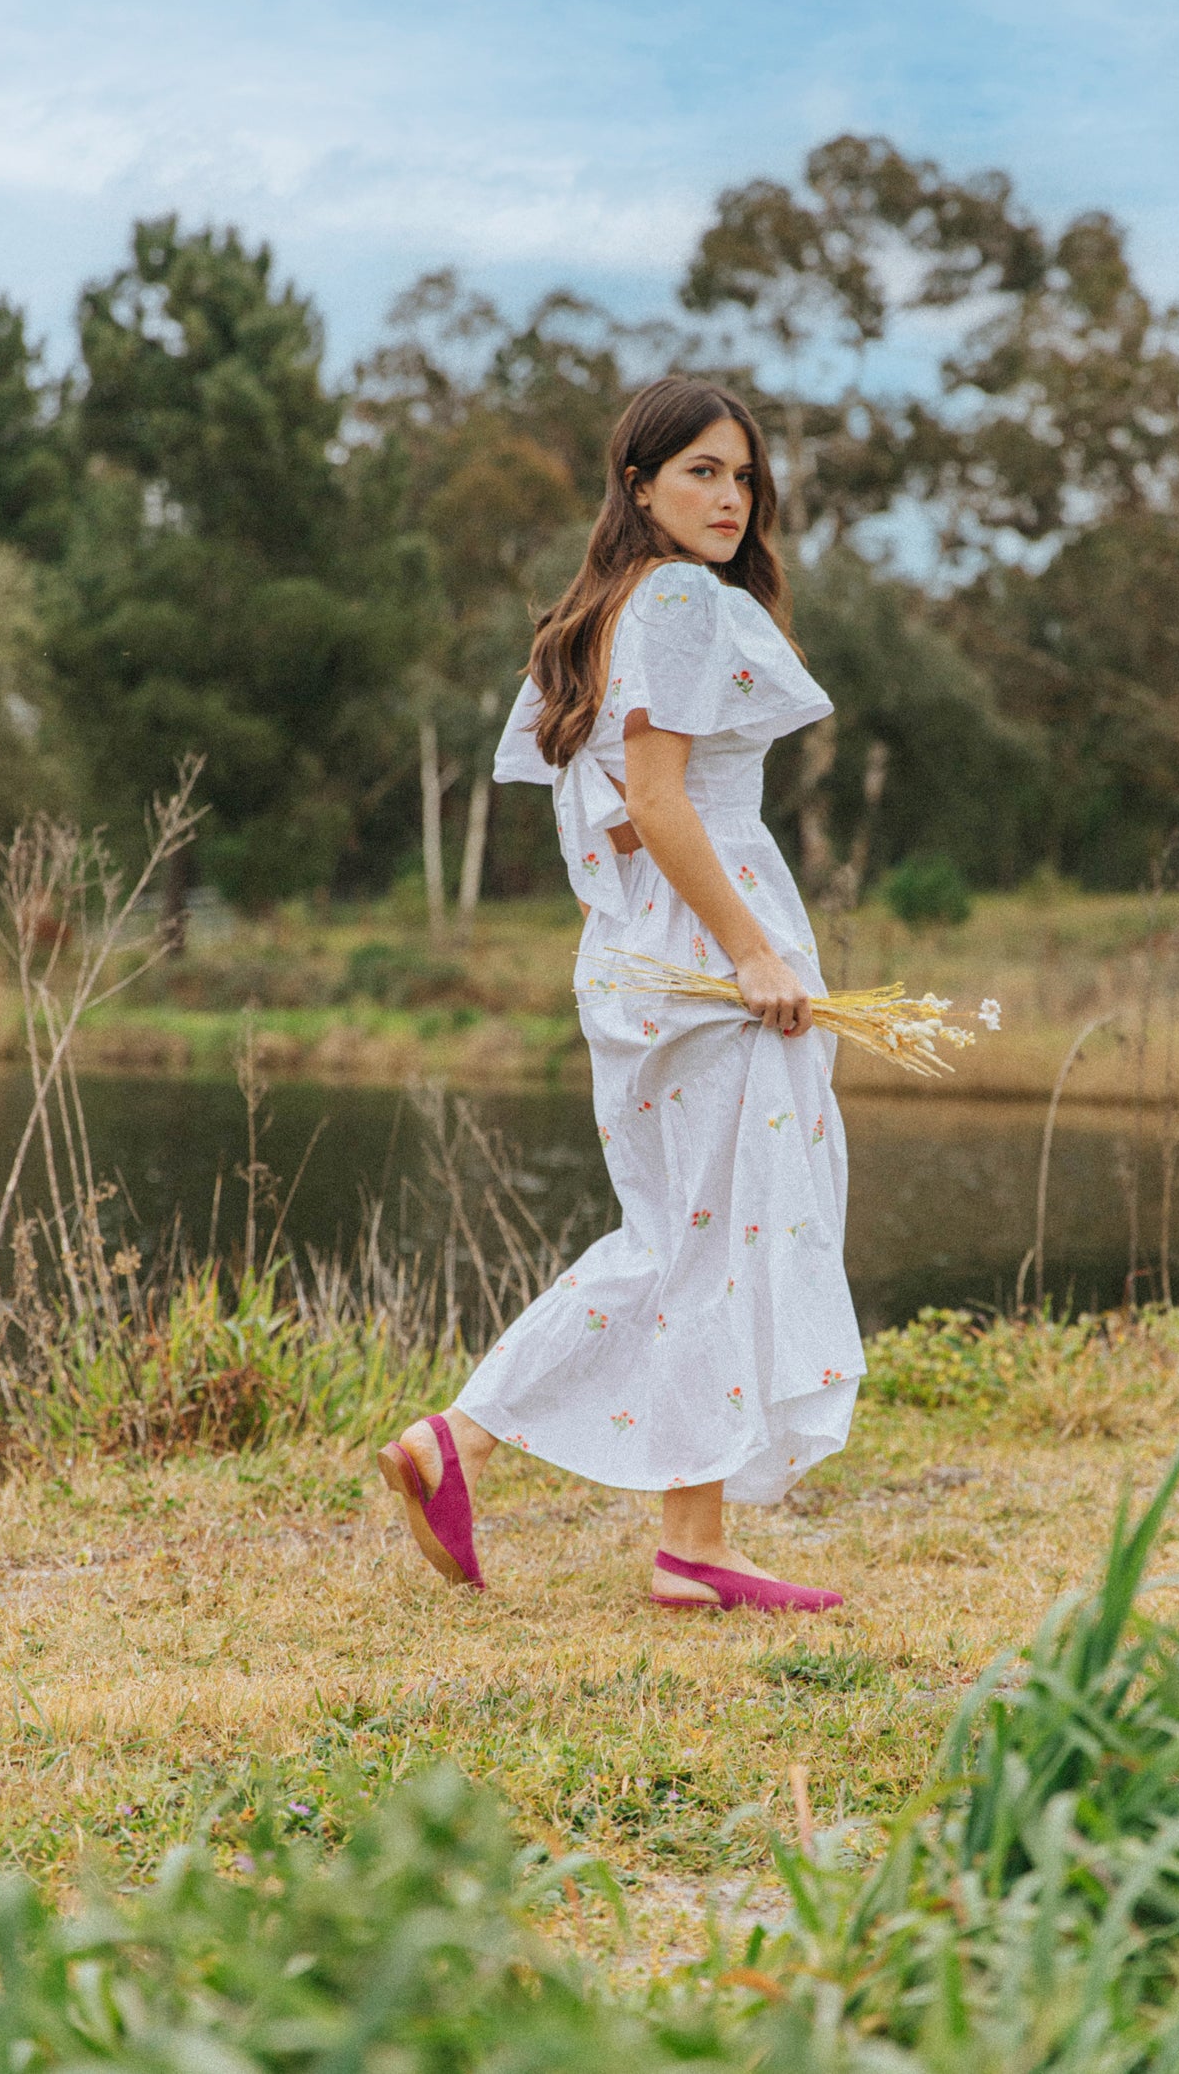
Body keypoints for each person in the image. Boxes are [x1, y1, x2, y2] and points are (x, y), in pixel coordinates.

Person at [378, 377, 864, 1611]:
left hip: (638, 955)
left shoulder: (611, 607)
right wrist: (753, 954)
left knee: (700, 1237)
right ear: (636, 483)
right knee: (699, 1234)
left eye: (743, 476)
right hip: (704, 957)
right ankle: (462, 1439)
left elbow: (621, 814)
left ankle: (690, 1542)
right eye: (700, 471)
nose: (729, 497)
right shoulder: (685, 601)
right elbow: (655, 802)